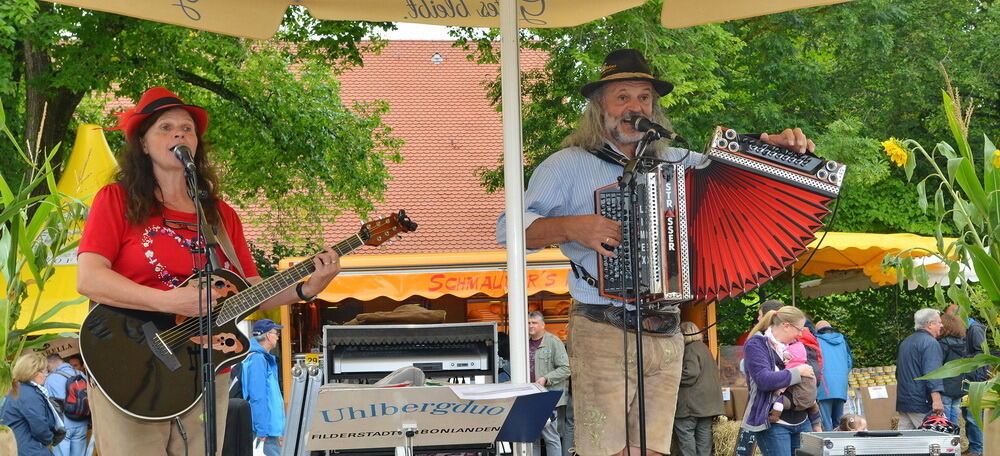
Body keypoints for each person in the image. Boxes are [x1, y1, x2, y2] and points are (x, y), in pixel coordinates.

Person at [495, 48, 813, 456]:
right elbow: (508, 230)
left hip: (666, 332)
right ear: (599, 106)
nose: (635, 106)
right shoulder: (566, 165)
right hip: (600, 327)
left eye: (644, 97)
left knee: (655, 450)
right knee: (602, 450)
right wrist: (573, 226)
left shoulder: (678, 160)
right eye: (622, 96)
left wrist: (776, 148)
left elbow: (736, 176)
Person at [75, 86, 342, 455]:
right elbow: (89, 279)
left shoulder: (219, 214)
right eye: (165, 128)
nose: (179, 134)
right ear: (143, 143)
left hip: (204, 370)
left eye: (187, 128)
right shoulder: (116, 199)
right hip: (131, 362)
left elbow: (249, 289)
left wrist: (306, 289)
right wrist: (169, 300)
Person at [741, 306, 816, 456]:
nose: (801, 334)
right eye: (799, 329)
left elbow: (812, 377)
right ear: (786, 326)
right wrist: (798, 372)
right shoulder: (756, 344)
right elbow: (764, 380)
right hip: (774, 424)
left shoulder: (794, 346)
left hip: (802, 421)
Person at [673, 321, 724, 456]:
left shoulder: (690, 349)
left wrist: (670, 379)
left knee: (685, 433)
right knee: (704, 438)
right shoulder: (703, 348)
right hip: (707, 405)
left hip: (691, 404)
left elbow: (690, 373)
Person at [1, 352, 63, 456]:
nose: (46, 375)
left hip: (19, 446)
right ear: (33, 372)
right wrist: (50, 439)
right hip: (30, 449)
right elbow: (39, 427)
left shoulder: (18, 389)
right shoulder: (29, 394)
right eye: (44, 371)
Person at [527, 311, 570, 456]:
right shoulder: (523, 342)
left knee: (551, 437)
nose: (530, 325)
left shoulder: (554, 341)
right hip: (528, 397)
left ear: (543, 325)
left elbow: (566, 368)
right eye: (528, 323)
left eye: (534, 322)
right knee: (532, 439)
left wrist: (546, 378)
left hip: (547, 398)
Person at [894, 308, 945, 430]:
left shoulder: (906, 342)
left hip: (904, 400)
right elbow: (933, 373)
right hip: (921, 401)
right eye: (939, 322)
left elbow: (898, 372)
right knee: (935, 439)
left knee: (906, 442)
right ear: (930, 324)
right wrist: (936, 400)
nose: (941, 325)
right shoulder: (930, 343)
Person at [243, 319, 287, 456]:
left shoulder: (258, 357)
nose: (278, 337)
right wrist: (262, 429)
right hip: (265, 428)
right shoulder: (258, 359)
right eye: (276, 333)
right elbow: (258, 395)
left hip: (266, 427)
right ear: (268, 335)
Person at [44, 354, 89, 456]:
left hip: (63, 426)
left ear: (50, 364)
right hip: (82, 421)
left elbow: (48, 405)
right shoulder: (81, 375)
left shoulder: (51, 379)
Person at [815, 320, 852, 431]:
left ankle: (829, 447)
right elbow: (849, 362)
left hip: (824, 387)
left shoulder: (816, 340)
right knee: (840, 423)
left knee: (826, 424)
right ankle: (840, 447)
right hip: (841, 386)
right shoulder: (842, 340)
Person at [937, 312, 966, 432]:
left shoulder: (942, 344)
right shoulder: (963, 344)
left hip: (945, 387)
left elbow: (937, 366)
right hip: (959, 387)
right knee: (954, 420)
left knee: (944, 420)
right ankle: (955, 444)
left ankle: (946, 446)